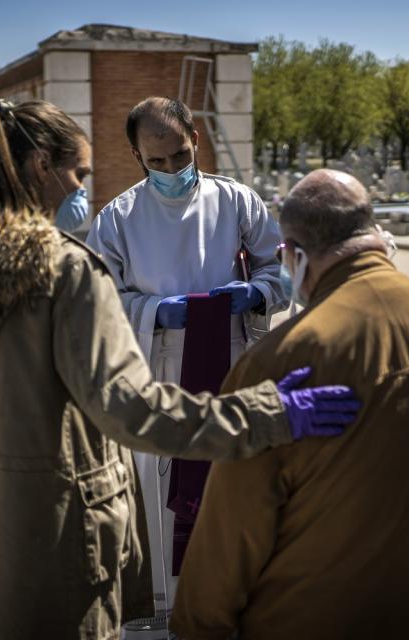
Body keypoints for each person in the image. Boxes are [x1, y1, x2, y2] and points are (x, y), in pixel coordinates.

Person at [0, 97, 360, 640]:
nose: (80, 190)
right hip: (42, 538)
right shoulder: (61, 272)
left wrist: (254, 295)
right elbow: (131, 409)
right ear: (42, 167)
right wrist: (270, 413)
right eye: (79, 173)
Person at [170, 169, 409, 640]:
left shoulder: (281, 362)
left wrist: (195, 626)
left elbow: (229, 535)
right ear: (376, 236)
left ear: (292, 256)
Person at [86, 97, 286, 612]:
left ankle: (233, 598)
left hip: (231, 362)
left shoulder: (238, 200)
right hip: (156, 369)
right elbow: (97, 302)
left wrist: (257, 293)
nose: (171, 169)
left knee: (233, 482)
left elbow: (282, 270)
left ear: (196, 141)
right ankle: (167, 603)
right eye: (157, 161)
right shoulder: (117, 218)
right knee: (162, 493)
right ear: (136, 156)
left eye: (179, 155)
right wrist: (154, 311)